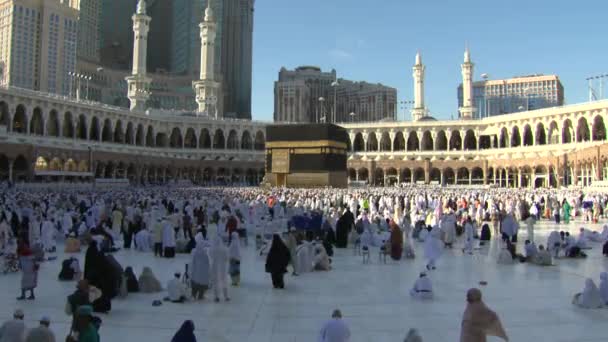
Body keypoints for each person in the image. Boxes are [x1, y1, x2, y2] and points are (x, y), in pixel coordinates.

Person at [210, 237, 230, 302]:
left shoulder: (212, 249)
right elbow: (227, 258)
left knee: (215, 282)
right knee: (224, 281)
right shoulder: (224, 249)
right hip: (223, 268)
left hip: (215, 267)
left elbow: (211, 256)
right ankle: (226, 296)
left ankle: (216, 297)